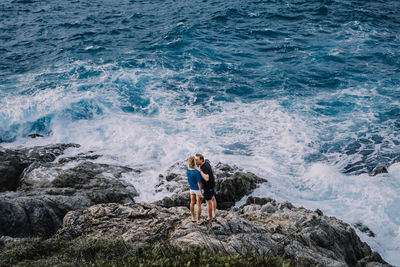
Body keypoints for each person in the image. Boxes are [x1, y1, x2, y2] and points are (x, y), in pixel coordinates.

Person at [195, 153, 217, 221]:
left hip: (208, 187)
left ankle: (210, 217)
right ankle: (214, 213)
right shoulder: (207, 163)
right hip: (212, 184)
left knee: (208, 201)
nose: (195, 161)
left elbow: (206, 178)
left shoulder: (203, 168)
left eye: (196, 160)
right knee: (213, 198)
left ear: (201, 160)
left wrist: (199, 171)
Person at [186, 156, 204, 224]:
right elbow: (199, 183)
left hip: (191, 188)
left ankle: (193, 217)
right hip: (197, 189)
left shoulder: (187, 169)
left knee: (192, 203)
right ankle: (198, 220)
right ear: (194, 163)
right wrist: (201, 193)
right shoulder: (196, 172)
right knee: (198, 205)